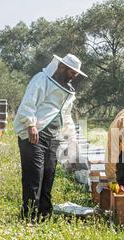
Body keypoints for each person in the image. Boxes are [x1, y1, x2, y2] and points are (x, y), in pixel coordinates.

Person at [14, 54, 87, 223]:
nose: (74, 76)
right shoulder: (41, 79)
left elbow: (66, 115)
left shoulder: (68, 92)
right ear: (61, 67)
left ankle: (44, 216)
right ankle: (29, 218)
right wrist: (30, 125)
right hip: (33, 135)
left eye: (76, 74)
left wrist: (72, 139)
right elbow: (28, 103)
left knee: (49, 175)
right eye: (72, 72)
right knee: (35, 177)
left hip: (53, 137)